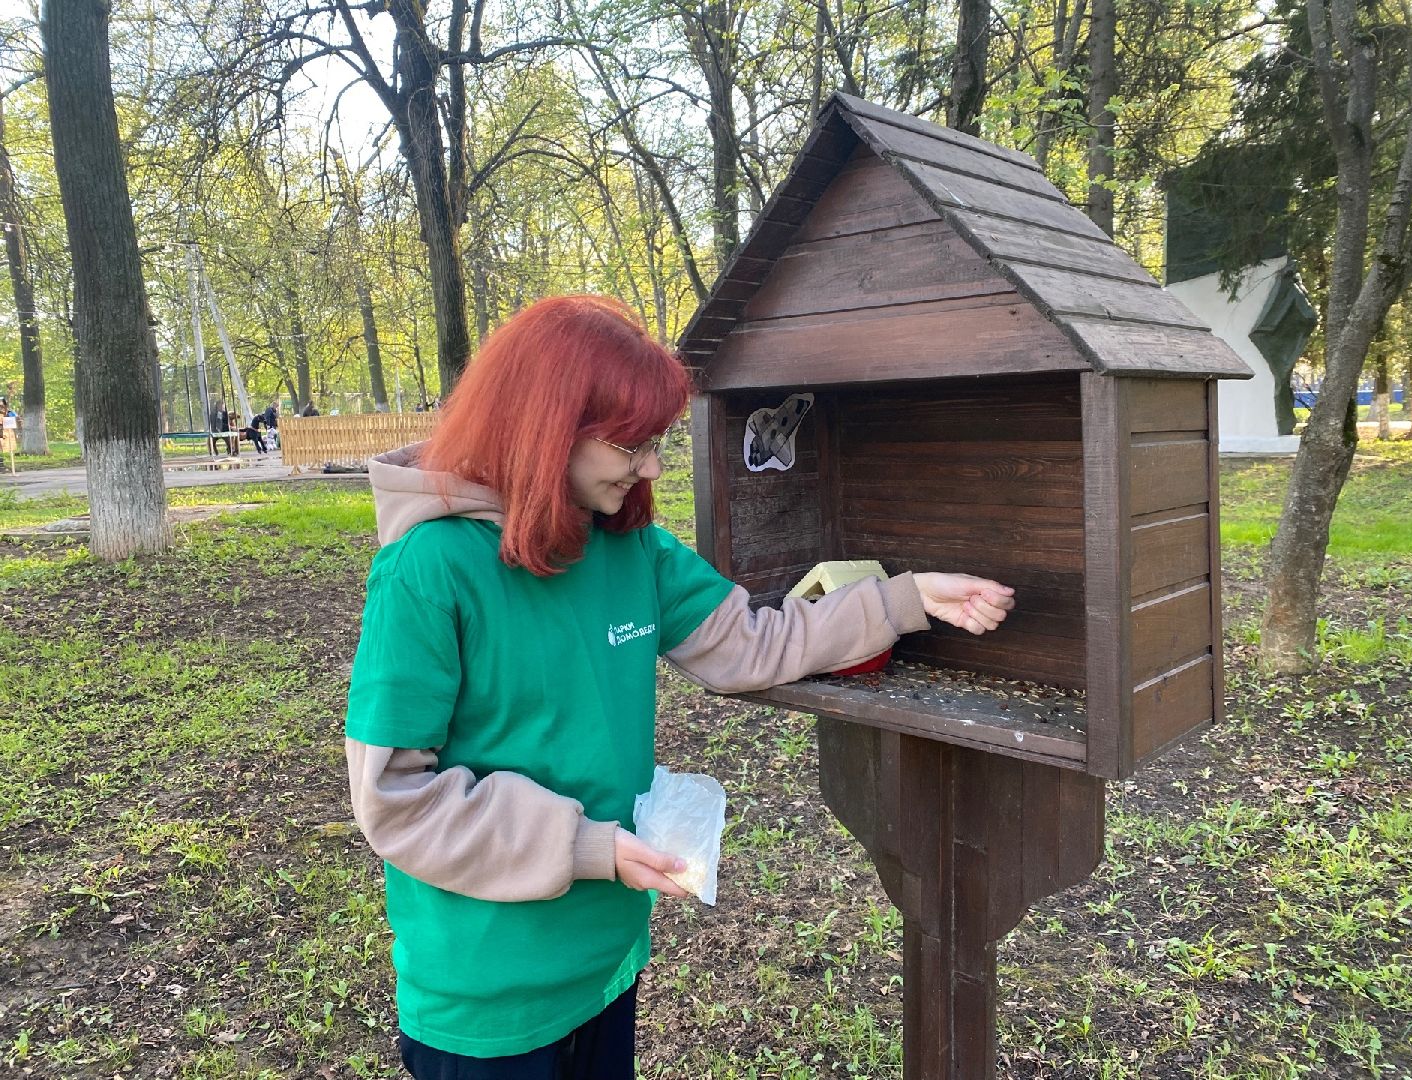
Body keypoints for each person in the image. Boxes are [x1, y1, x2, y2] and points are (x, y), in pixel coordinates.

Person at [344, 295, 1015, 1080]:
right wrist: (587, 846)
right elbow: (396, 798)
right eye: (632, 445)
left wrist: (903, 602)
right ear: (548, 427)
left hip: (606, 961)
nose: (653, 468)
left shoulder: (632, 551)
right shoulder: (429, 570)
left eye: (656, 443)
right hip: (488, 995)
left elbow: (751, 642)